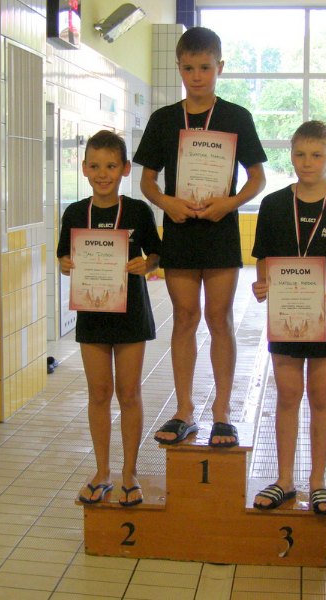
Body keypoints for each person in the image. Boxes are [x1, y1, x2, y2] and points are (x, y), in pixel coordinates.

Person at [133, 27, 267, 447]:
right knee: (185, 318)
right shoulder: (163, 120)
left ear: (219, 67)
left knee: (220, 319)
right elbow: (147, 181)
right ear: (179, 67)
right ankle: (184, 410)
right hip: (180, 230)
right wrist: (166, 203)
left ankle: (222, 413)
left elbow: (258, 178)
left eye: (205, 68)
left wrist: (231, 204)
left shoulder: (236, 117)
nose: (197, 76)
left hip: (220, 229)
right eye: (189, 68)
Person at [251, 121, 326, 514]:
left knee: (320, 395)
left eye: (316, 155)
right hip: (286, 313)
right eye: (300, 154)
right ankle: (284, 479)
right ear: (291, 156)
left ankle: (318, 481)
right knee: (287, 395)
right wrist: (262, 283)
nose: (307, 162)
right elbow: (263, 256)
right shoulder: (273, 204)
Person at [57, 130, 162, 507]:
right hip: (93, 315)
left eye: (111, 166)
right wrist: (65, 264)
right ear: (85, 168)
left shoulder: (137, 211)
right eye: (96, 166)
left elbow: (156, 255)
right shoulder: (75, 212)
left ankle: (129, 473)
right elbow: (64, 258)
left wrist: (146, 264)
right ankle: (102, 472)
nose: (103, 174)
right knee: (99, 394)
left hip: (131, 314)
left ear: (125, 169)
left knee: (129, 394)